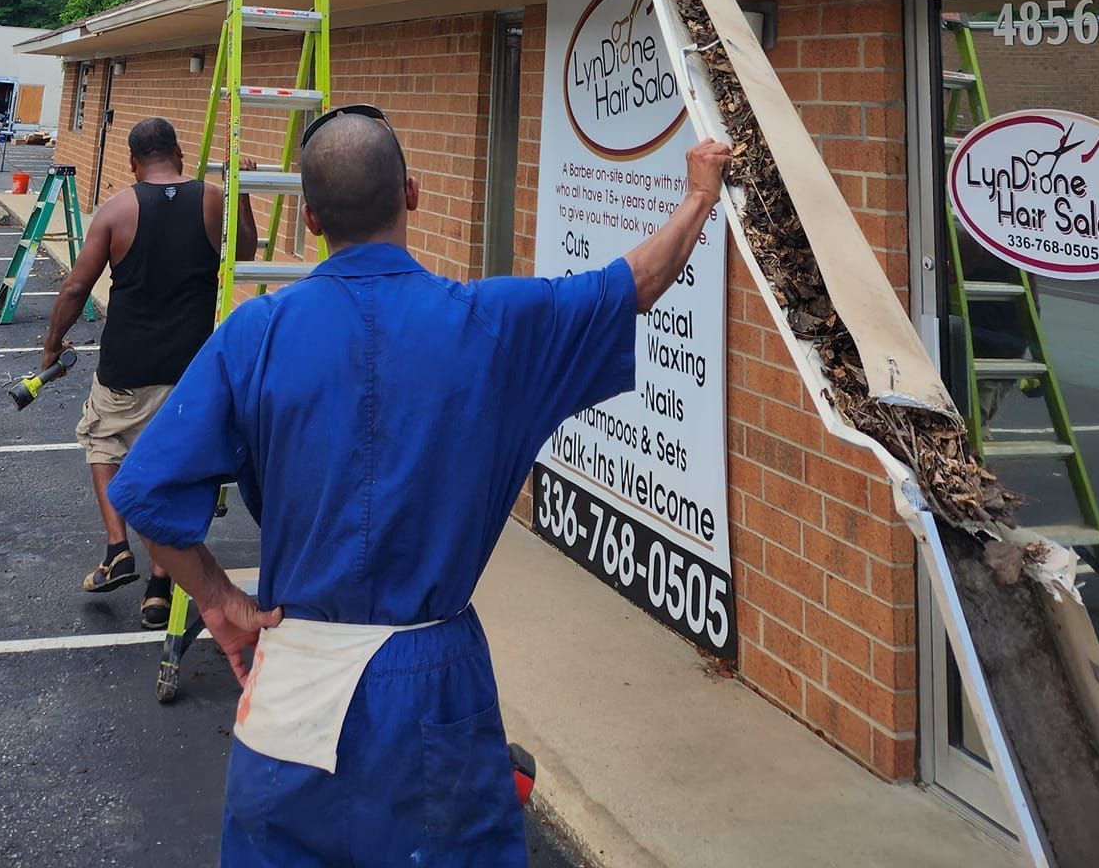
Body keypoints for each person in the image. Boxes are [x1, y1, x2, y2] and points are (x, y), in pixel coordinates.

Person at [108, 102, 730, 864]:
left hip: (295, 676)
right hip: (434, 685)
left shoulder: (254, 333)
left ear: (307, 218)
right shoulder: (495, 324)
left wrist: (218, 598)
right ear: (411, 192)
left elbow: (143, 493)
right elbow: (634, 283)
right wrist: (699, 193)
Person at [40, 115, 257, 624]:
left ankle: (119, 547)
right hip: (192, 372)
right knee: (179, 472)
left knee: (103, 443)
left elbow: (75, 289)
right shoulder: (211, 198)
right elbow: (243, 252)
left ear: (133, 163)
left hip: (127, 368)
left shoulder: (117, 210)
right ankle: (161, 586)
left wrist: (51, 347)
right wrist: (239, 192)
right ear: (179, 155)